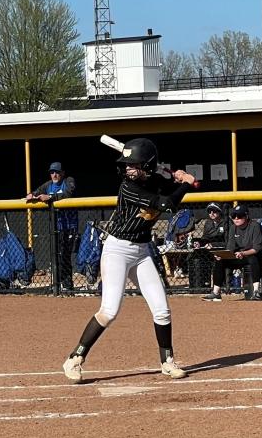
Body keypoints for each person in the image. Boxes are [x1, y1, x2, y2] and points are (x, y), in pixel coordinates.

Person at [61, 137, 196, 383]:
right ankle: (75, 358)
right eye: (127, 165)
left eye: (133, 165)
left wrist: (178, 178)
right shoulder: (128, 187)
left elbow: (169, 189)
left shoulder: (156, 180)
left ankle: (167, 361)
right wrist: (185, 186)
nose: (128, 169)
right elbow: (166, 204)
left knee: (162, 310)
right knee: (110, 310)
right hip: (117, 250)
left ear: (148, 166)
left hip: (142, 251)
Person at [25, 162, 77, 290]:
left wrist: (50, 197)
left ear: (62, 173)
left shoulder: (68, 181)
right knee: (56, 256)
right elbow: (36, 191)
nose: (54, 175)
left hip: (69, 226)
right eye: (52, 172)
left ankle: (67, 286)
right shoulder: (48, 185)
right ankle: (56, 285)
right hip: (55, 228)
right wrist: (32, 195)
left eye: (57, 172)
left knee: (65, 256)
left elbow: (68, 193)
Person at [202, 204, 262, 301]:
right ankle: (216, 293)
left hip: (253, 255)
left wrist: (243, 253)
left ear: (246, 216)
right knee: (220, 261)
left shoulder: (255, 226)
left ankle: (256, 291)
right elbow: (231, 248)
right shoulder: (233, 228)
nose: (236, 218)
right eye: (233, 216)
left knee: (253, 259)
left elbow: (257, 248)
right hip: (239, 255)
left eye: (239, 216)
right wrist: (223, 255)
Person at [187, 202, 229, 288]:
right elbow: (205, 238)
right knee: (195, 255)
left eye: (214, 211)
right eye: (209, 212)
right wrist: (199, 243)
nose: (211, 213)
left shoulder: (226, 223)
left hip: (223, 248)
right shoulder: (208, 223)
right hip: (210, 249)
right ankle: (202, 284)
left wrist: (213, 244)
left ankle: (223, 285)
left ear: (219, 211)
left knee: (219, 259)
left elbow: (229, 242)